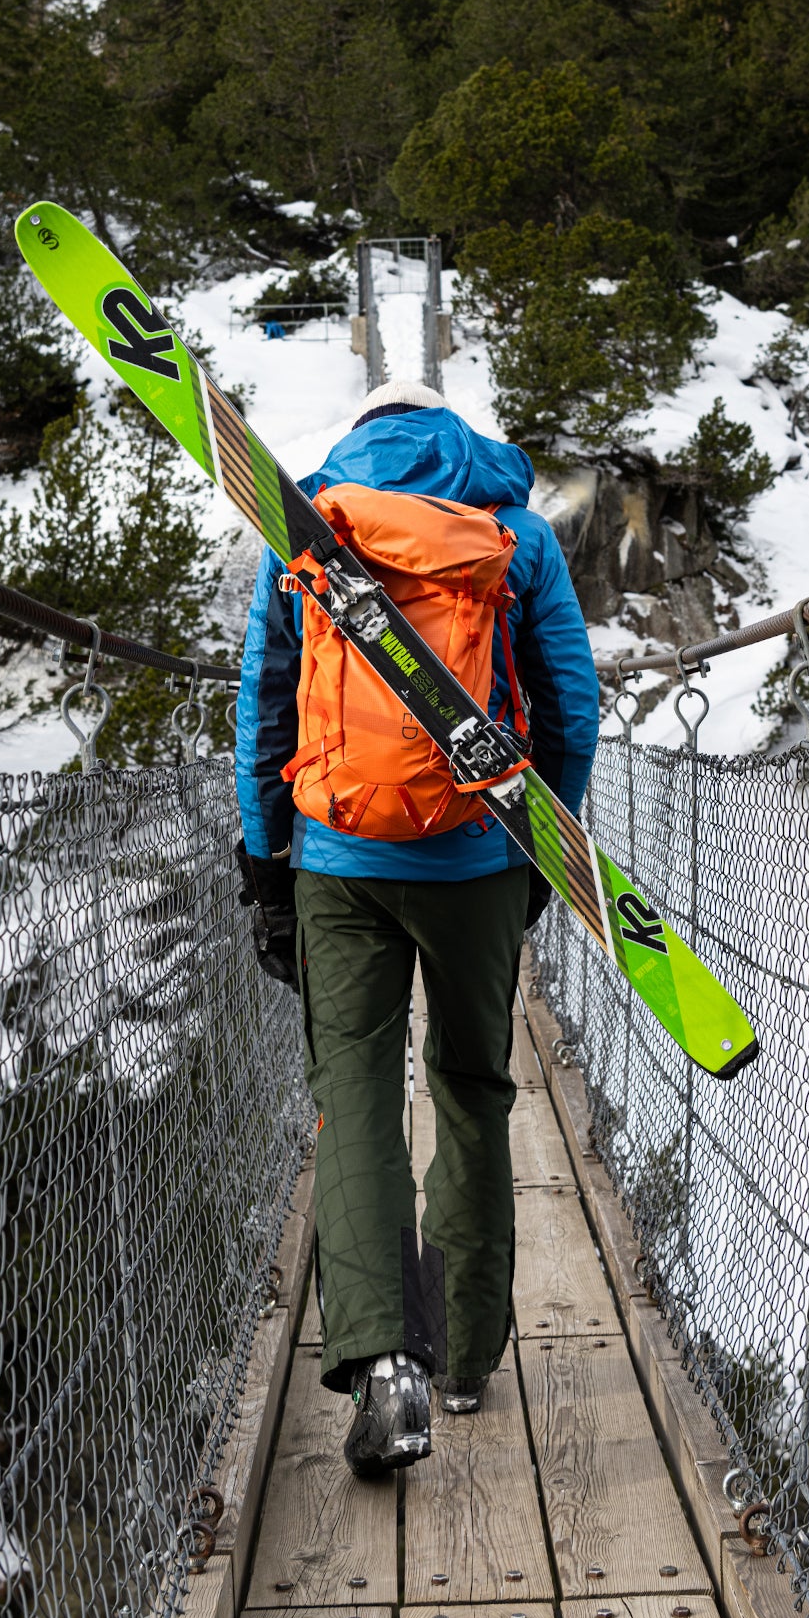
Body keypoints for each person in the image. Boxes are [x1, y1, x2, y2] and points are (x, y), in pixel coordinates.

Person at [235, 380, 600, 1477]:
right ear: (458, 435)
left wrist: (263, 863)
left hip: (338, 858)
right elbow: (570, 707)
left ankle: (382, 1362)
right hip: (482, 856)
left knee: (351, 1094)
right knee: (472, 1087)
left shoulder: (301, 528)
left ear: (359, 433)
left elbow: (262, 694)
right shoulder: (516, 534)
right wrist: (546, 844)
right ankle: (465, 1358)